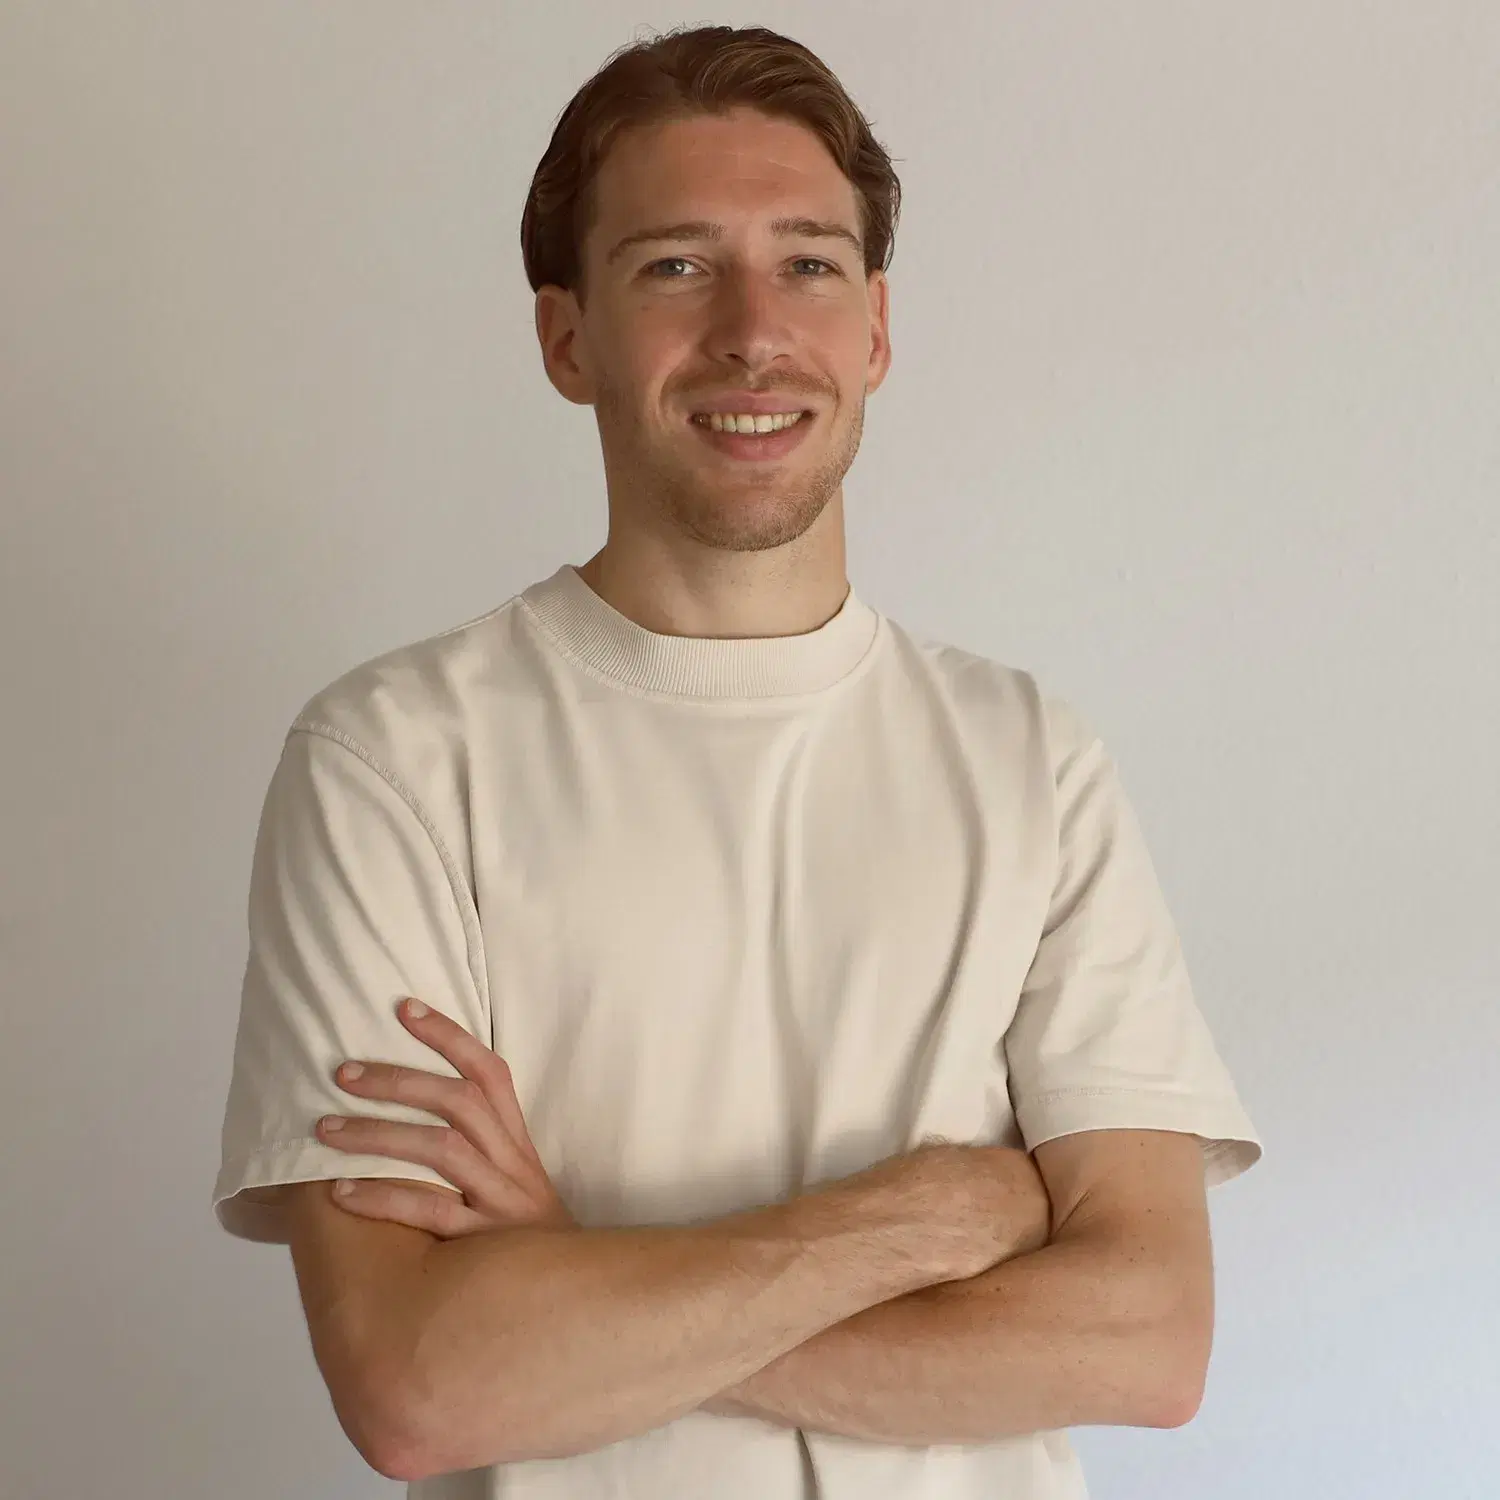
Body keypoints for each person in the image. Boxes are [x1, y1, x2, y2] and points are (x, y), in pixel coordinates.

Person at [212, 22, 1261, 1499]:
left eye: (810, 263)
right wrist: (918, 1218)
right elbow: (420, 1387)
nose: (754, 331)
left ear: (876, 328)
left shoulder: (1031, 762)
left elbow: (1149, 1340)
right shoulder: (389, 762)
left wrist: (570, 1273)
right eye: (675, 266)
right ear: (568, 338)